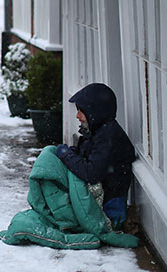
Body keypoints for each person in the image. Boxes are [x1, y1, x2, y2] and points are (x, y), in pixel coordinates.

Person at [55, 83, 136, 228]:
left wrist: (66, 155)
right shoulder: (98, 131)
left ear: (95, 111)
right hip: (99, 196)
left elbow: (91, 173)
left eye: (81, 110)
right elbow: (86, 156)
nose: (77, 115)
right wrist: (71, 153)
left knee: (48, 158)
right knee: (49, 156)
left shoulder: (108, 136)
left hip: (109, 206)